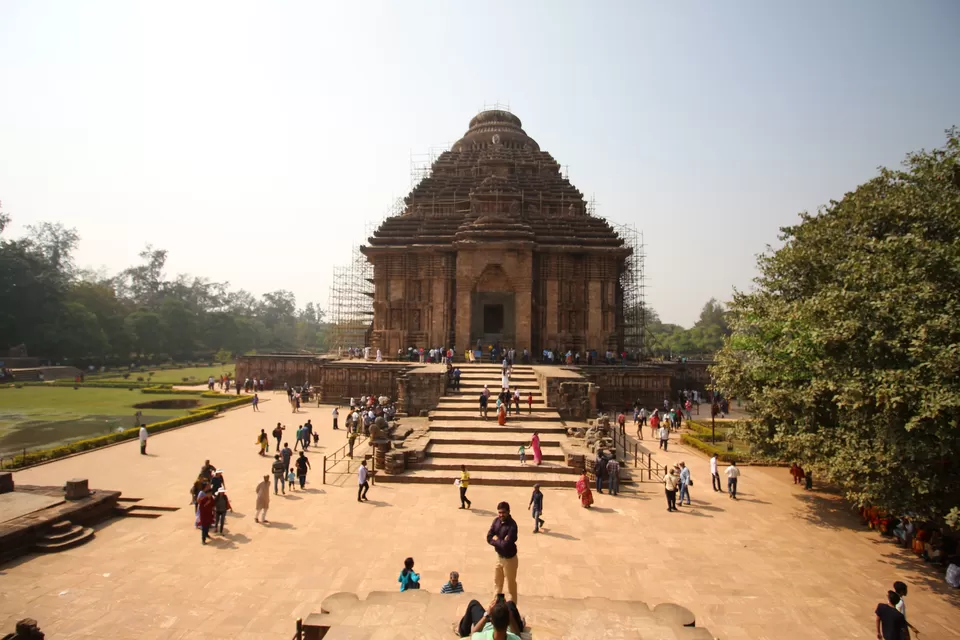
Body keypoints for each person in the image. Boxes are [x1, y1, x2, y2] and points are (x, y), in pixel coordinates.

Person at [487, 501, 519, 604]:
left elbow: (506, 545)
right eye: (499, 512)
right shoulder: (496, 521)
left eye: (503, 512)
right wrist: (500, 541)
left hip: (510, 560)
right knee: (497, 584)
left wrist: (496, 539)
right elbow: (489, 537)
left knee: (510, 587)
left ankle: (512, 608)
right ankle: (496, 607)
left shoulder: (512, 526)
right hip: (499, 557)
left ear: (508, 512)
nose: (501, 515)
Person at [457, 597, 523, 640]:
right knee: (510, 603)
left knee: (473, 603)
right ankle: (521, 625)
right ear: (508, 622)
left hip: (486, 625)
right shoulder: (516, 638)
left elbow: (473, 633)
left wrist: (487, 614)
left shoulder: (479, 638)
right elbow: (518, 635)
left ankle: (462, 632)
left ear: (491, 621)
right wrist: (510, 616)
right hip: (503, 621)